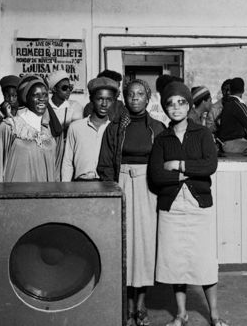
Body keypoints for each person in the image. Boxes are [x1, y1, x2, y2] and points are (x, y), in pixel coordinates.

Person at [148, 81, 228, 326]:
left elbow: (210, 166)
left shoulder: (202, 134)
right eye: (170, 104)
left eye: (181, 102)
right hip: (172, 208)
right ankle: (181, 314)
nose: (176, 108)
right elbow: (156, 176)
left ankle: (214, 316)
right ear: (165, 109)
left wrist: (179, 166)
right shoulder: (162, 139)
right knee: (176, 263)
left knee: (204, 262)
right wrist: (187, 174)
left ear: (189, 105)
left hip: (198, 206)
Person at [97, 79, 165, 326]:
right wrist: (113, 189)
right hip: (122, 185)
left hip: (148, 188)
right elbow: (104, 164)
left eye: (140, 94)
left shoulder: (157, 128)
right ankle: (126, 307)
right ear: (125, 99)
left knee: (145, 247)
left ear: (148, 99)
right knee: (124, 245)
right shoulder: (114, 128)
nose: (135, 98)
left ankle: (141, 306)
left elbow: (164, 162)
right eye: (130, 94)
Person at [0, 77, 58, 182]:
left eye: (45, 95)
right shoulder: (10, 127)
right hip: (16, 192)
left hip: (44, 193)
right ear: (26, 98)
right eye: (36, 95)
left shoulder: (47, 130)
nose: (42, 98)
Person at [62, 77, 116, 181]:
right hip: (81, 183)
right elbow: (67, 162)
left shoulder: (114, 129)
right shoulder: (76, 127)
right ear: (91, 99)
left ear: (113, 101)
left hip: (107, 184)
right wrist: (66, 187)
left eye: (108, 100)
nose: (104, 104)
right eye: (100, 99)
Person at [46, 70, 84, 179]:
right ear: (54, 89)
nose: (68, 91)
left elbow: (74, 131)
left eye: (70, 87)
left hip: (66, 151)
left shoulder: (75, 106)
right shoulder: (45, 106)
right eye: (64, 88)